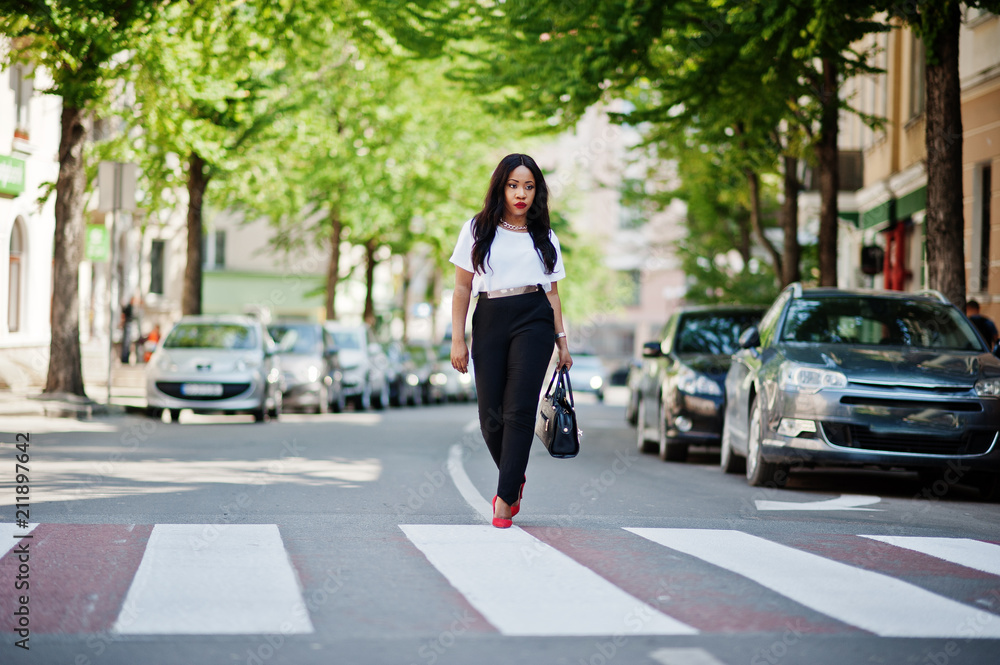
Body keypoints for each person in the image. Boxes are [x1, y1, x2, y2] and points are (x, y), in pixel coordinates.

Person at [450, 153, 572, 529]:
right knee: (491, 418)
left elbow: (552, 294)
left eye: (530, 186)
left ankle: (504, 501)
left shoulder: (545, 236)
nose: (522, 194)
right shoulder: (477, 229)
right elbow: (461, 287)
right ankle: (514, 477)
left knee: (519, 410)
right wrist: (458, 339)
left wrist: (562, 342)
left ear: (538, 192)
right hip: (489, 316)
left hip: (534, 318)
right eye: (514, 185)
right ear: (501, 187)